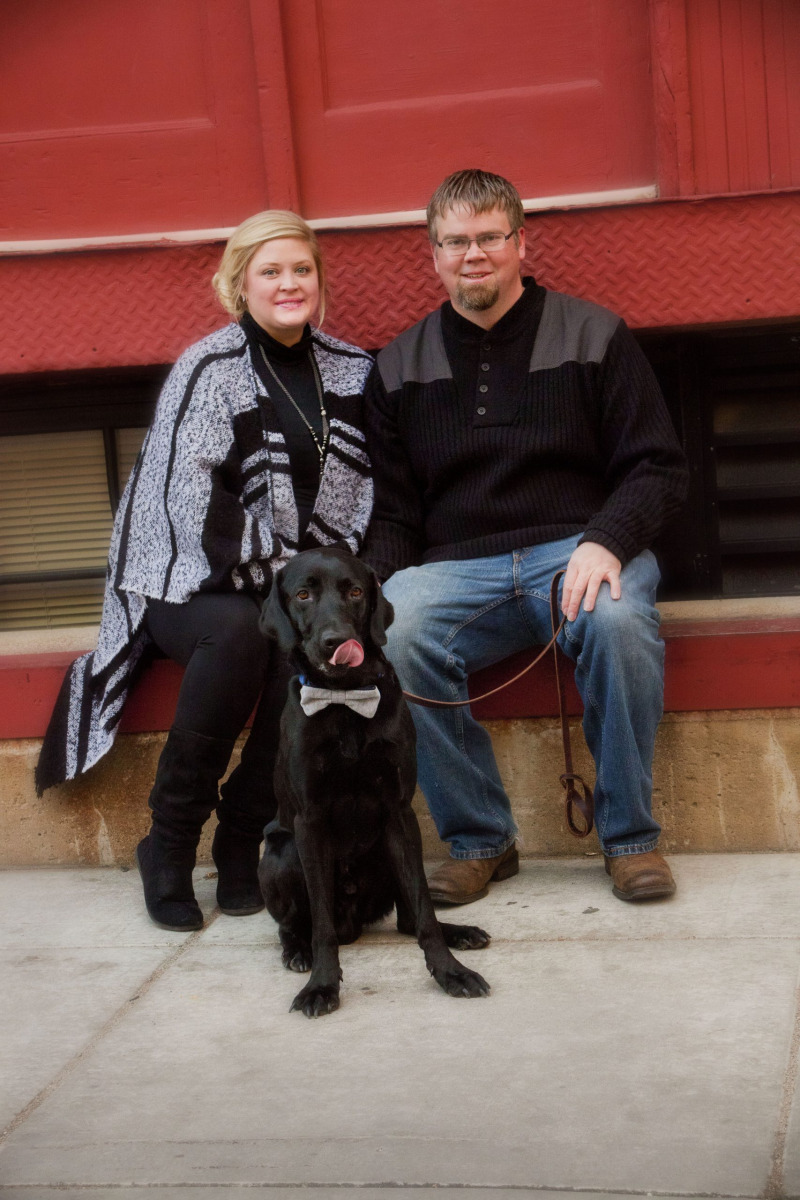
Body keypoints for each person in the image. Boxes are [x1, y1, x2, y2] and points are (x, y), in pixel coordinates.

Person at [36, 211, 374, 931]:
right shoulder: (210, 367)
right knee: (246, 634)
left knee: (299, 647)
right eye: (270, 271)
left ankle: (244, 833)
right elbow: (186, 498)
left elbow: (369, 488)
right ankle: (169, 841)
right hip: (187, 577)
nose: (289, 283)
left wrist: (310, 585)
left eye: (302, 269)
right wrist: (284, 576)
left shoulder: (351, 369)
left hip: (292, 585)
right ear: (239, 283)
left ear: (320, 280)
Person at [362, 169, 689, 906]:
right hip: (457, 569)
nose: (472, 254)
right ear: (434, 254)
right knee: (397, 629)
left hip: (576, 550)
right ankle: (481, 841)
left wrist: (607, 539)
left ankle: (630, 839)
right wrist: (372, 592)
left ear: (519, 242)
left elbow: (658, 468)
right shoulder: (398, 366)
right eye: (455, 242)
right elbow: (395, 513)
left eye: (488, 237)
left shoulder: (593, 334)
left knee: (617, 621)